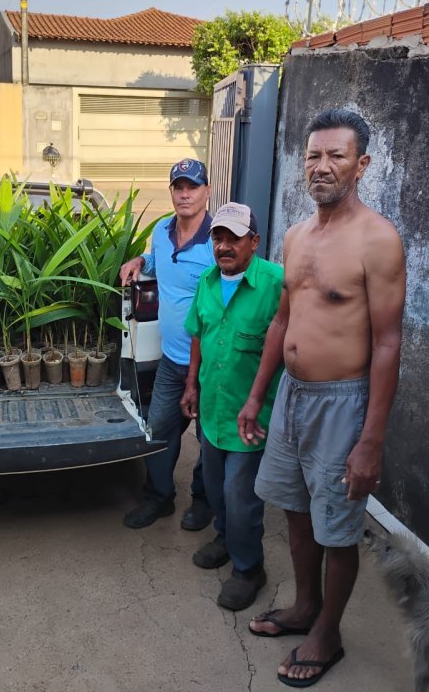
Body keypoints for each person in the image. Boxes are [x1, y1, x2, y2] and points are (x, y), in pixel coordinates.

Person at [238, 109, 406, 687]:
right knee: (296, 509)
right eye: (313, 155)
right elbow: (283, 324)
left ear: (361, 165)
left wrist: (371, 441)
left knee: (337, 527)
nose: (322, 166)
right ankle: (305, 607)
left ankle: (328, 634)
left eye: (336, 156)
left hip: (343, 403)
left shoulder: (378, 241)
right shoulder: (296, 234)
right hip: (292, 397)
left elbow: (387, 344)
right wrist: (257, 396)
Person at [180, 203, 284, 611]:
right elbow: (197, 335)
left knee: (242, 498)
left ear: (253, 242)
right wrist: (191, 385)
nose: (224, 246)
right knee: (217, 489)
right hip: (212, 409)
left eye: (234, 238)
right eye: (218, 238)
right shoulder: (207, 282)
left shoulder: (276, 283)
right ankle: (225, 537)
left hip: (251, 416)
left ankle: (248, 568)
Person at [120, 159, 215, 530]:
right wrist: (141, 258)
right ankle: (159, 498)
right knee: (159, 429)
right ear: (172, 191)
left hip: (211, 363)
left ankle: (204, 502)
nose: (185, 193)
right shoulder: (162, 229)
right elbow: (158, 263)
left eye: (193, 186)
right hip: (172, 359)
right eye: (179, 187)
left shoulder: (217, 239)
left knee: (210, 440)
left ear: (207, 191)